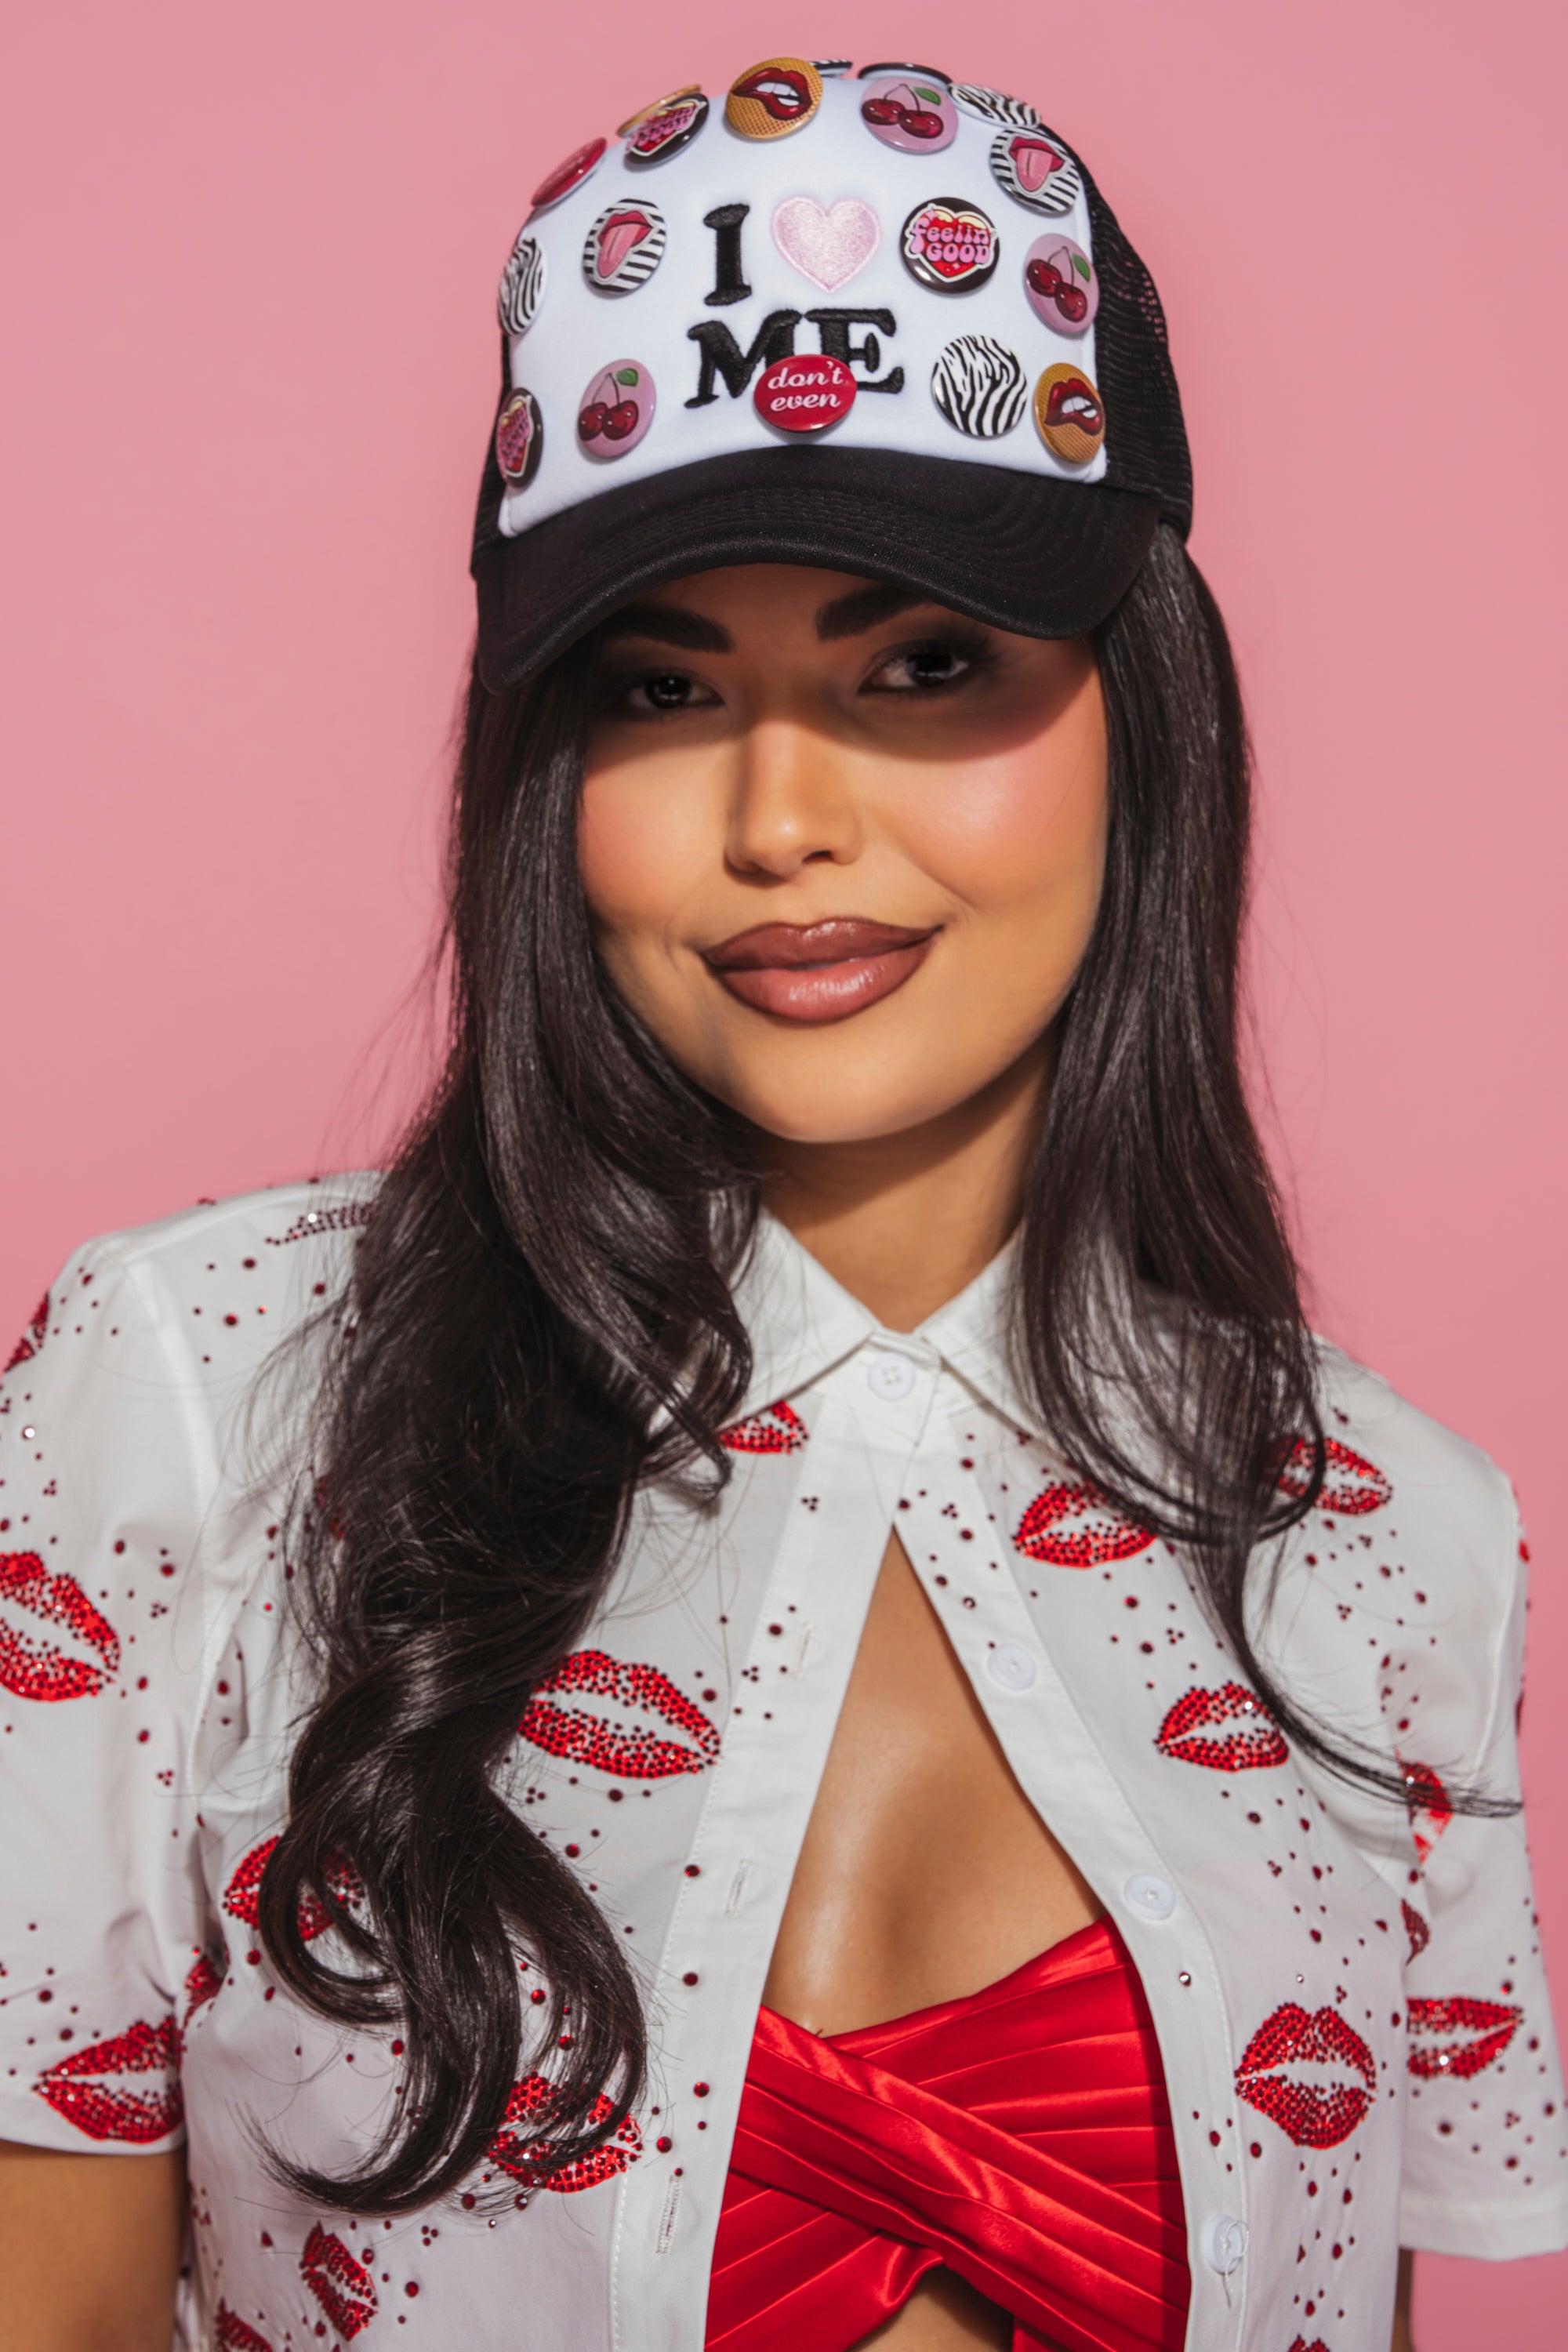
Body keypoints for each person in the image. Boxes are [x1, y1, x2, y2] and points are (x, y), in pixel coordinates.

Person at [1, 52, 1563, 2352]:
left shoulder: (1384, 1541)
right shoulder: (190, 1410)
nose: (784, 816)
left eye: (926, 662)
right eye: (663, 685)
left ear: (1151, 714)